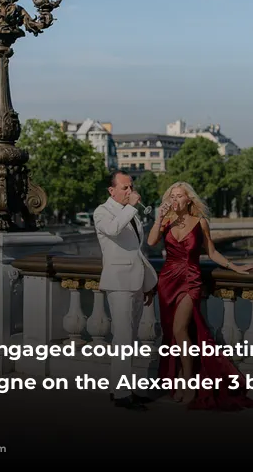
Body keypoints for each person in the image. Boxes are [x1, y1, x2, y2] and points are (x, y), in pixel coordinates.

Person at [147, 181, 253, 412]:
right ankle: (180, 378)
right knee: (171, 333)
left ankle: (188, 382)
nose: (175, 200)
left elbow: (212, 252)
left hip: (191, 280)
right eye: (171, 196)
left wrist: (234, 267)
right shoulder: (166, 221)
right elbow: (151, 242)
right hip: (167, 280)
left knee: (180, 330)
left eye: (179, 196)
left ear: (189, 200)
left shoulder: (200, 222)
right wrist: (159, 217)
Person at [93, 170, 158, 411]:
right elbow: (112, 230)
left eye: (130, 187)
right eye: (124, 188)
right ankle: (121, 394)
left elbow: (136, 251)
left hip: (135, 281)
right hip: (118, 282)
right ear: (112, 190)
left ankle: (121, 388)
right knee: (122, 339)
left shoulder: (130, 213)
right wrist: (131, 207)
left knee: (129, 339)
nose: (130, 192)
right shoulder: (102, 211)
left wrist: (148, 283)